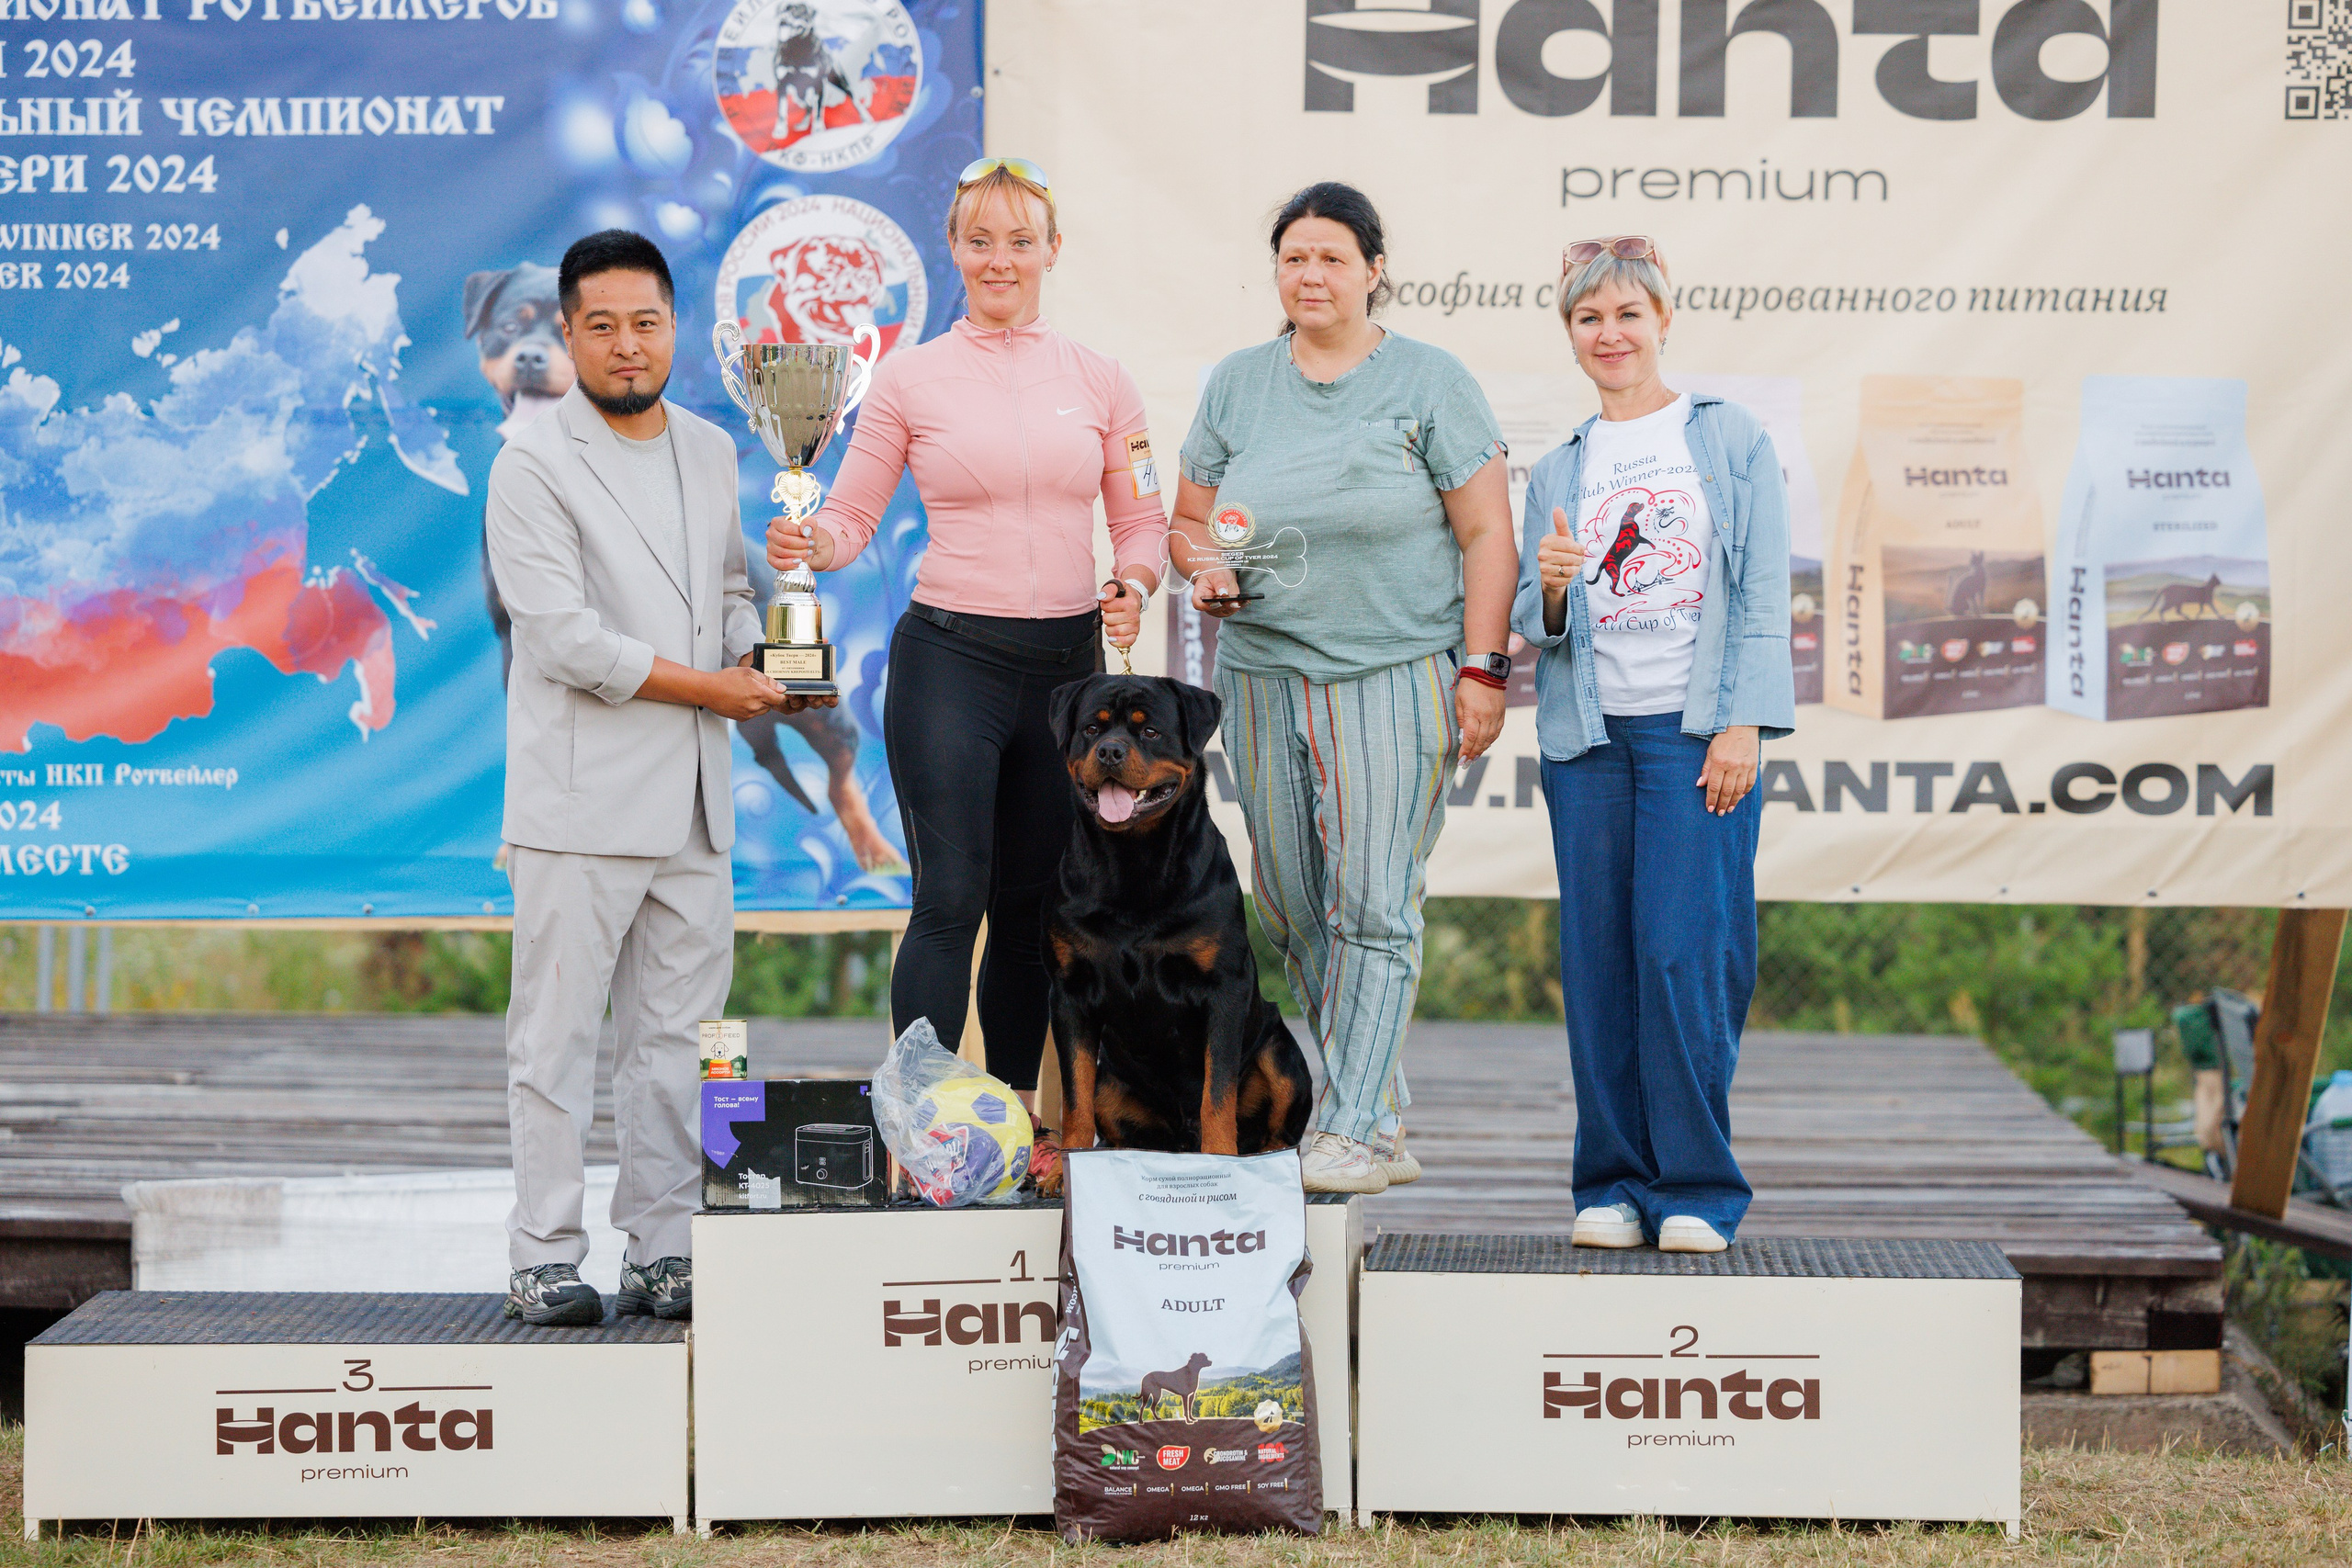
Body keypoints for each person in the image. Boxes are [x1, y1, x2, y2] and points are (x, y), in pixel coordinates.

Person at [765, 157, 1164, 1121]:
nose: (999, 259)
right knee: (951, 898)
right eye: (979, 240)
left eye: (1019, 241)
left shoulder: (1101, 380)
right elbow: (852, 520)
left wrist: (1134, 582)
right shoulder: (908, 379)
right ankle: (923, 1123)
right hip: (951, 660)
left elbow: (1142, 522)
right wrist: (806, 537)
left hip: (1067, 675)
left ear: (1051, 252)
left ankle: (1018, 1121)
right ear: (953, 250)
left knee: (1036, 908)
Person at [486, 229, 814, 1325]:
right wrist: (714, 691)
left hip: (694, 804)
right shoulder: (530, 461)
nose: (628, 347)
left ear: (674, 326)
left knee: (679, 1043)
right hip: (579, 803)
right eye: (603, 327)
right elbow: (564, 642)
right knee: (558, 1040)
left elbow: (726, 589)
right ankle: (542, 1255)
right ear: (568, 335)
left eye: (646, 323)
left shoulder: (714, 450)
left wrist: (756, 648)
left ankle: (663, 1248)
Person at [1170, 182, 1515, 1195]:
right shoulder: (1237, 384)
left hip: (1391, 672)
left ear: (1373, 270)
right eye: (1293, 258)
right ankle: (1381, 1107)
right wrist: (1204, 568)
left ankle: (1355, 1124)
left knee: (1373, 901)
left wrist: (1483, 667)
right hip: (1265, 674)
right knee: (1292, 909)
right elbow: (1188, 521)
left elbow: (1488, 532)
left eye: (1330, 257)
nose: (1310, 275)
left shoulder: (1429, 380)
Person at [1511, 235, 1794, 1254]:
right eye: (1589, 318)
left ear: (1662, 321)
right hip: (1588, 745)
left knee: (1685, 956)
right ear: (1570, 335)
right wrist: (1547, 585)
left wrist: (1742, 722)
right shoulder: (1558, 463)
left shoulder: (1724, 439)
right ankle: (1612, 1186)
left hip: (1692, 739)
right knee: (1598, 963)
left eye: (1628, 314)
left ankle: (1697, 1191)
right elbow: (1535, 625)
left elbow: (1763, 585)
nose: (1610, 333)